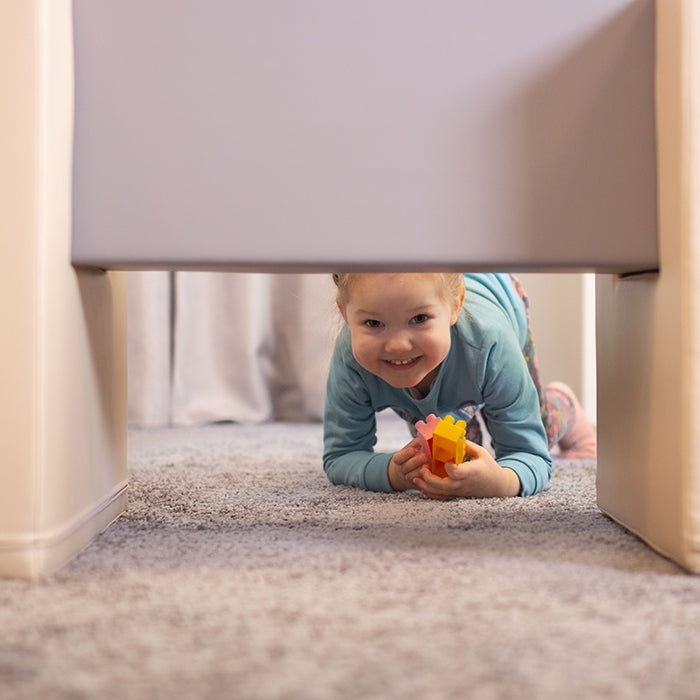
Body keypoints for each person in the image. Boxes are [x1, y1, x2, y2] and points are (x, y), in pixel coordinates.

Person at [323, 272, 596, 499]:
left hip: (501, 300)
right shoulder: (350, 358)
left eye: (419, 319)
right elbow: (341, 456)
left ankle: (565, 402)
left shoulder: (492, 343)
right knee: (450, 452)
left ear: (456, 305)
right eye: (373, 323)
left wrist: (500, 482)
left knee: (542, 429)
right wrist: (392, 474)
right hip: (457, 344)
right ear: (344, 313)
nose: (397, 345)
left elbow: (528, 454)